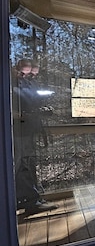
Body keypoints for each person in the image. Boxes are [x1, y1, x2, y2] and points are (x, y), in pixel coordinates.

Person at [12, 59, 57, 214]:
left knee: (27, 164)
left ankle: (29, 198)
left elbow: (31, 103)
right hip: (19, 132)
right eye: (27, 73)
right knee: (22, 165)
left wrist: (39, 111)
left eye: (33, 74)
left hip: (28, 130)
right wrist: (24, 115)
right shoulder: (13, 85)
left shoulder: (26, 85)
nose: (30, 76)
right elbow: (15, 110)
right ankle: (29, 200)